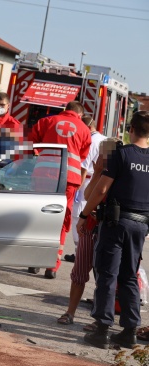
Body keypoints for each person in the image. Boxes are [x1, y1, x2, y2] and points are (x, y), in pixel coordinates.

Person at [79, 110, 149, 350]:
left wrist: (84, 214)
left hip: (115, 223)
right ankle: (130, 331)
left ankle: (102, 329)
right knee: (130, 275)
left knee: (108, 274)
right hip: (140, 225)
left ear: (131, 129)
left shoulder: (121, 154)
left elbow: (100, 191)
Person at [56, 138, 122, 326]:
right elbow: (87, 195)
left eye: (103, 153)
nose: (99, 156)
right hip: (91, 228)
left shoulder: (119, 173)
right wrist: (98, 172)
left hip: (105, 229)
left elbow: (99, 193)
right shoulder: (103, 172)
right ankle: (70, 312)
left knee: (105, 276)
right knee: (80, 272)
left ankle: (99, 319)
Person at [28, 101, 91, 279]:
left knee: (40, 217)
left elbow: (32, 144)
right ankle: (52, 267)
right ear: (79, 115)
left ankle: (34, 261)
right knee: (62, 221)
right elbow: (83, 155)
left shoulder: (46, 121)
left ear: (66, 110)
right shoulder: (85, 130)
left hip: (43, 175)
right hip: (68, 180)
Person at [64, 116, 106, 263]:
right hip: (101, 181)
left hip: (86, 181)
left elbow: (82, 168)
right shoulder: (105, 139)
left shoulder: (90, 141)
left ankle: (79, 252)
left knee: (78, 215)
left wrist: (76, 188)